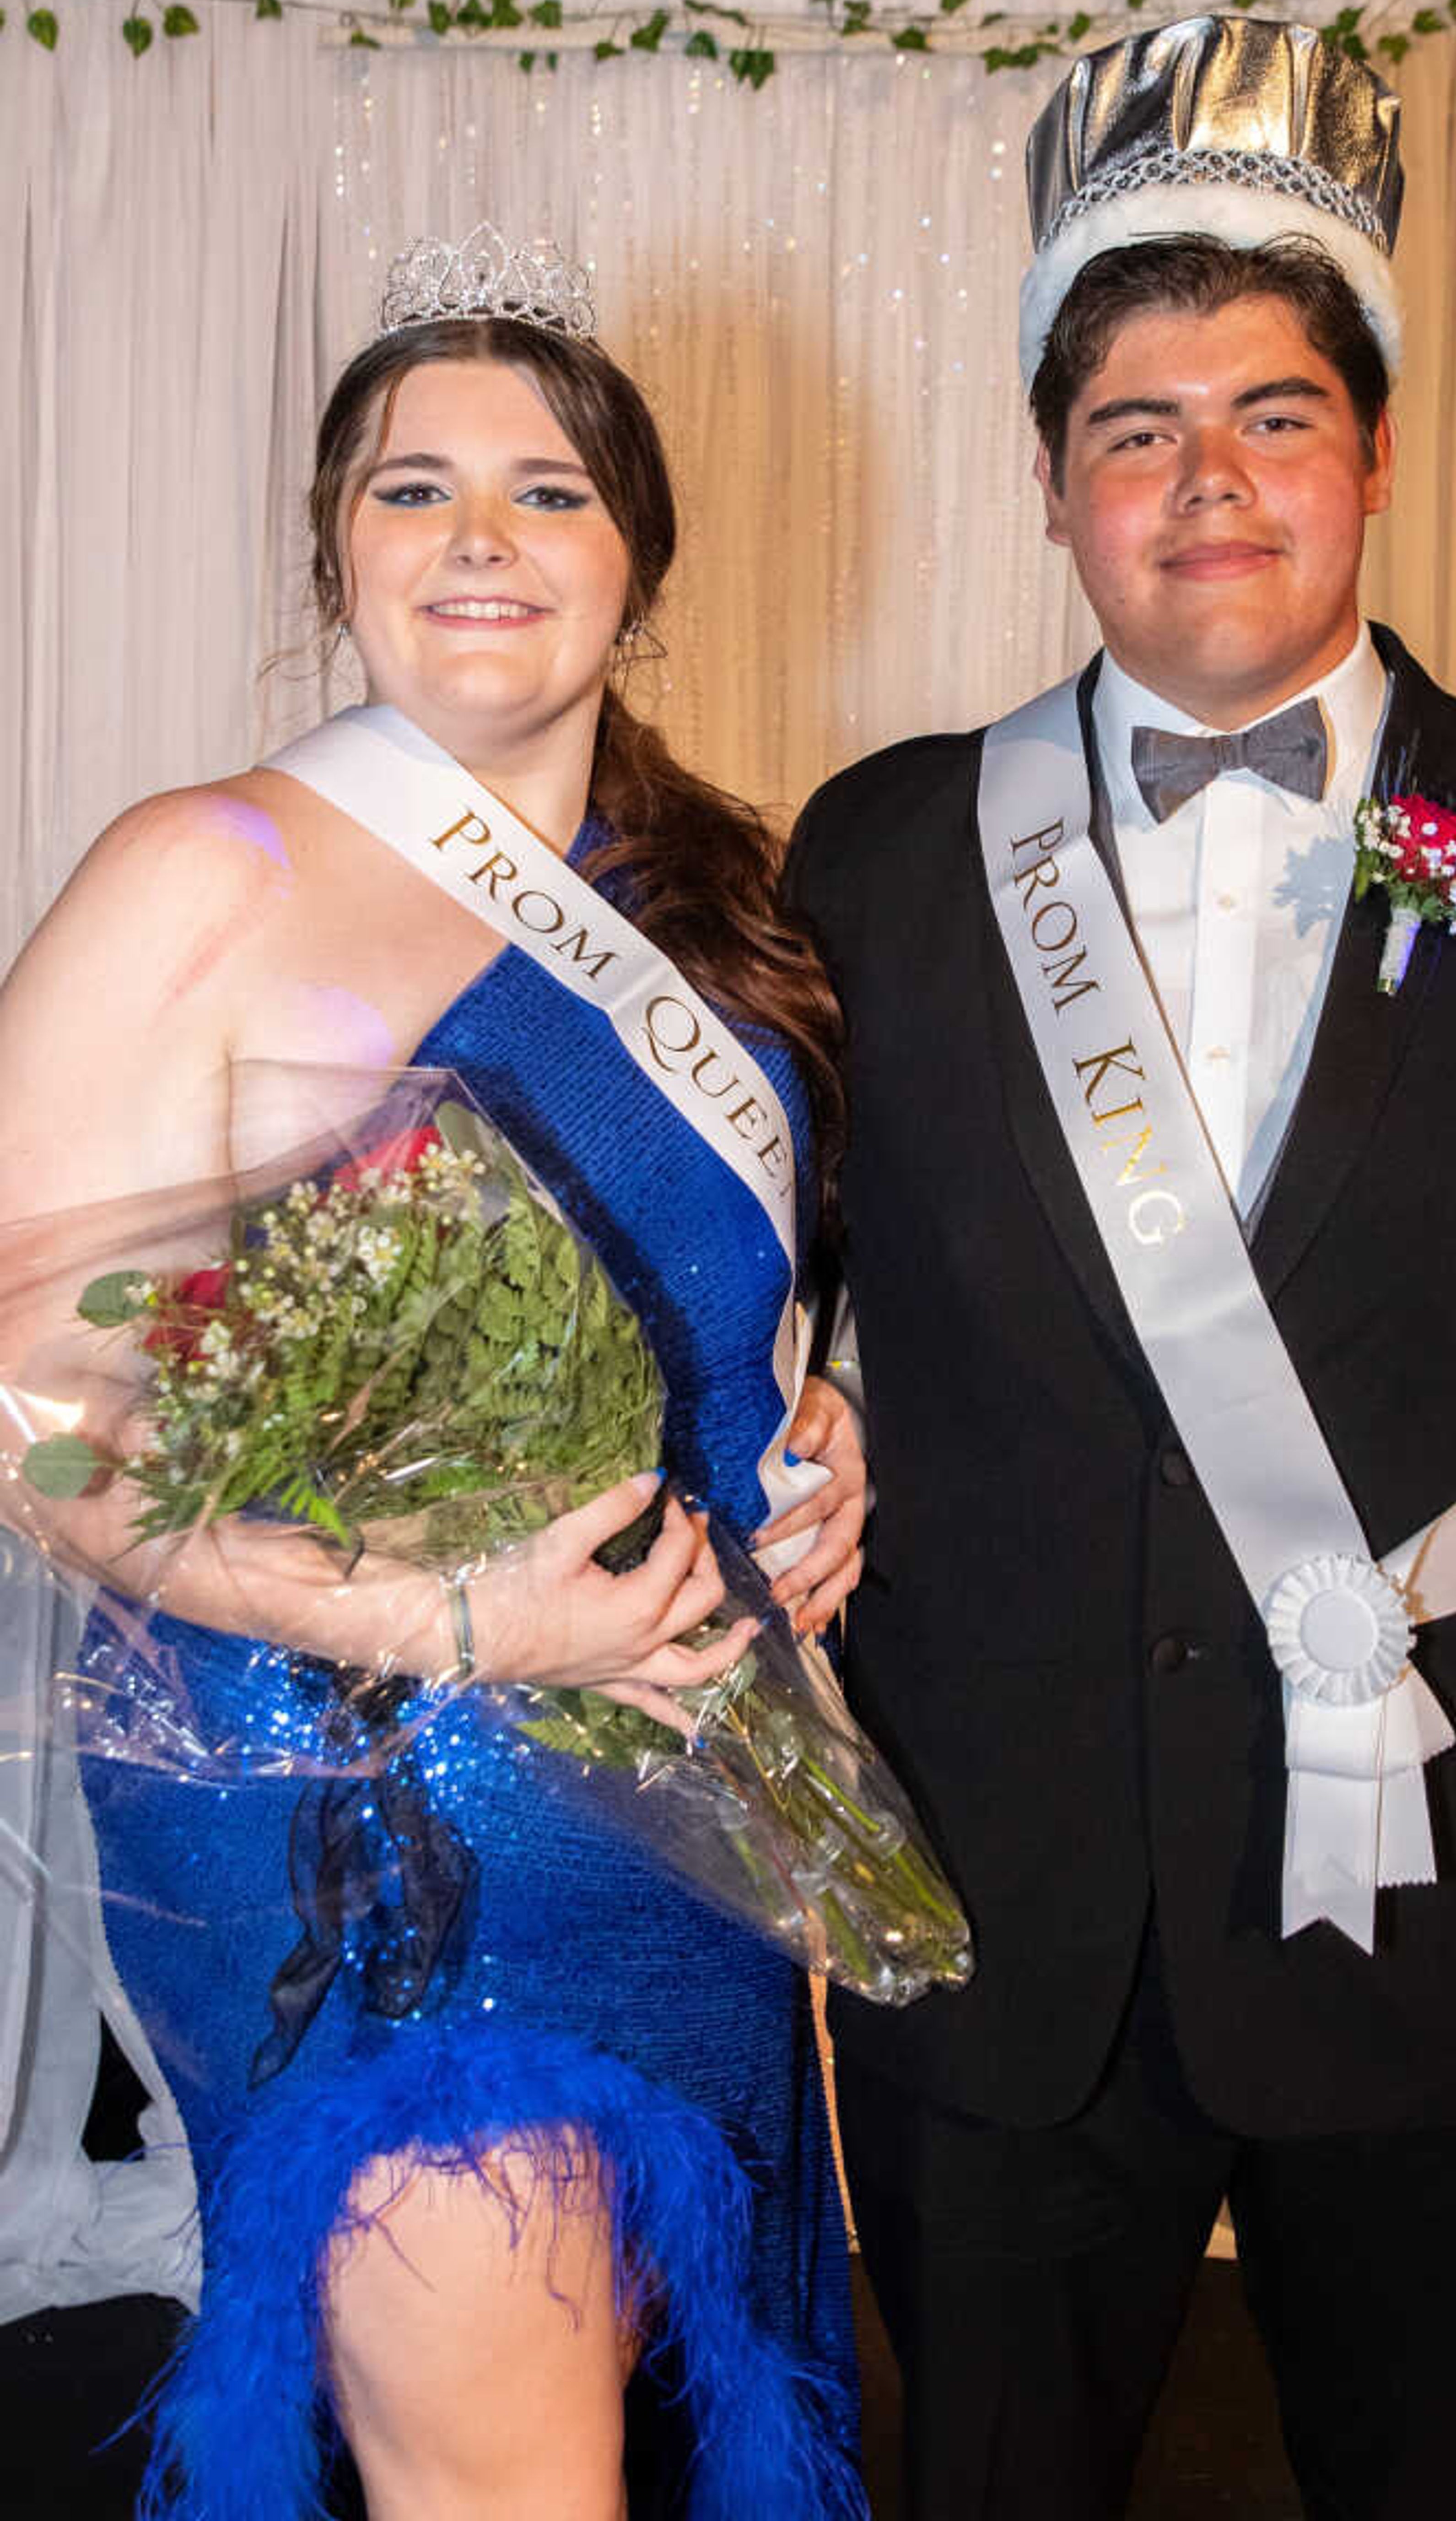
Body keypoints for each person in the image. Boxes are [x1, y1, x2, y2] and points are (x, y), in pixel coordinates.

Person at [786, 14, 1456, 2521]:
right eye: (1135, 429)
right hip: (993, 1935)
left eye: (1274, 417)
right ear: (1050, 485)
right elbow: (782, 1312)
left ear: (1378, 455)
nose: (1205, 482)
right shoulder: (880, 857)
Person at [0, 228, 869, 2519]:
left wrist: (814, 1424)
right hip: (364, 1793)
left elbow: (730, 1301)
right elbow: (30, 1407)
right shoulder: (204, 872)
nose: (483, 539)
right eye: (413, 489)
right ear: (331, 557)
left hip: (678, 1768)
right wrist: (456, 1622)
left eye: (550, 490)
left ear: (639, 562)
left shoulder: (719, 911)